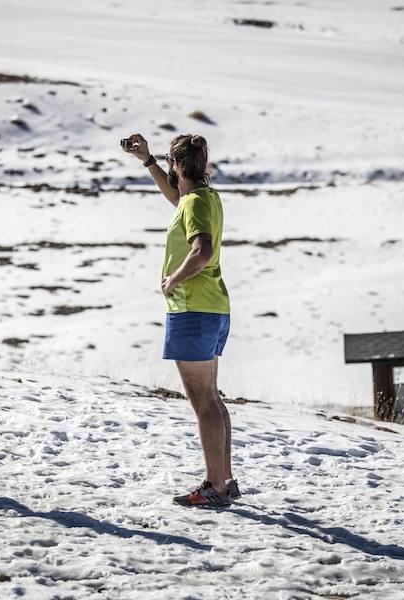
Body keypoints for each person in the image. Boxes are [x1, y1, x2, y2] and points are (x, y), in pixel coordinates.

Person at [124, 133, 239, 508]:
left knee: (203, 401)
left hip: (193, 309)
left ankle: (215, 488)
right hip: (213, 307)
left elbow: (201, 250)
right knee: (213, 398)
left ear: (178, 165)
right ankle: (225, 480)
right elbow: (178, 200)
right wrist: (147, 161)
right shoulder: (202, 198)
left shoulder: (193, 202)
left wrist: (174, 279)